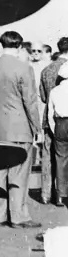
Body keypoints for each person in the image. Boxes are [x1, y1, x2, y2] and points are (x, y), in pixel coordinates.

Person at [0, 31, 42, 228]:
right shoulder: (24, 68)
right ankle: (18, 216)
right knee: (19, 174)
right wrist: (37, 127)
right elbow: (30, 102)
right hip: (20, 127)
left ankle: (0, 216)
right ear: (19, 46)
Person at [41, 37, 68, 205]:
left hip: (57, 122)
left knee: (56, 158)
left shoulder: (47, 70)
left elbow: (45, 99)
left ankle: (52, 194)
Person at [46, 62, 68, 208]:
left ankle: (61, 195)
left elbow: (49, 115)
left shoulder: (54, 91)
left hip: (60, 124)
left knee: (61, 160)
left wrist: (55, 130)